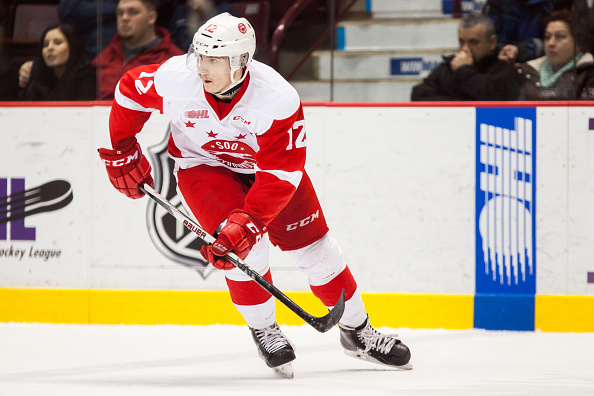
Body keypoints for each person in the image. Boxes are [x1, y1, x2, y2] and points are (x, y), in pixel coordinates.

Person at [98, 12, 412, 378]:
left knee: (316, 250)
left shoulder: (277, 98)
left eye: (214, 60)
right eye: (200, 57)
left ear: (242, 61)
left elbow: (279, 176)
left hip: (267, 175)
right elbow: (129, 90)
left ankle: (359, 333)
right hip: (203, 167)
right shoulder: (175, 79)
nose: (202, 68)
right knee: (244, 251)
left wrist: (248, 222)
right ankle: (265, 328)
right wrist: (122, 148)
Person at [411, 11, 520, 101]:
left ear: (491, 42)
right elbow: (419, 95)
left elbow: (494, 98)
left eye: (473, 42)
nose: (465, 49)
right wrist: (460, 105)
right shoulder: (449, 68)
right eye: (461, 42)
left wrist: (463, 70)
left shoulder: (504, 70)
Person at [93, 0, 184, 100]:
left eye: (133, 12)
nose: (124, 18)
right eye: (120, 13)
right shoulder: (102, 58)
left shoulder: (175, 61)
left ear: (151, 17)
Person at [517, 9, 594, 99]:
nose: (551, 43)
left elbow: (585, 112)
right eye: (547, 37)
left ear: (577, 43)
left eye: (560, 36)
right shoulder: (525, 71)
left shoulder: (588, 73)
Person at [19, 23, 96, 101]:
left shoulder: (85, 75)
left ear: (72, 47)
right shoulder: (37, 73)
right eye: (45, 44)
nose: (50, 48)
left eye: (57, 43)